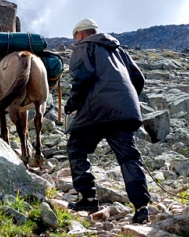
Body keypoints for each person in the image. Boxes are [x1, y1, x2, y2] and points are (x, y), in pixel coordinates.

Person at [64, 18, 152, 224]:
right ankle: (141, 208)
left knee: (76, 148)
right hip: (124, 112)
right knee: (129, 157)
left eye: (76, 37)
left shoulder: (83, 47)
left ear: (81, 34)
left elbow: (81, 78)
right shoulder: (119, 50)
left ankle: (88, 198)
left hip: (95, 110)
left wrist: (71, 105)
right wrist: (125, 100)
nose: (76, 41)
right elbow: (138, 78)